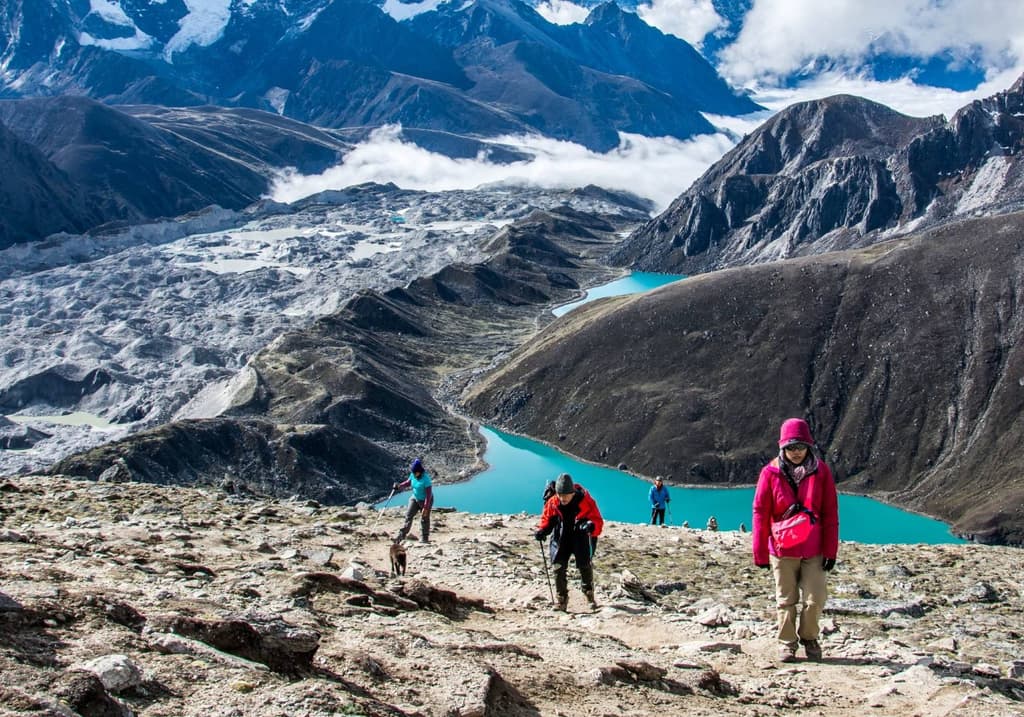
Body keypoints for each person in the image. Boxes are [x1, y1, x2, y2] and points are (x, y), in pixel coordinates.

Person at [752, 418, 839, 664]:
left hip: (814, 549)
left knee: (815, 598)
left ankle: (809, 637)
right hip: (782, 550)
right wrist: (760, 553)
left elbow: (831, 511)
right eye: (791, 447)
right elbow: (760, 512)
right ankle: (787, 643)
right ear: (783, 448)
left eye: (800, 446)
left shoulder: (821, 472)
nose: (796, 452)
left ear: (808, 446)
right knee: (786, 599)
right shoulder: (770, 473)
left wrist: (830, 550)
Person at [534, 473, 604, 611]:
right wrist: (542, 531)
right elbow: (547, 519)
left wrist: (591, 526)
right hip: (561, 538)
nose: (562, 498)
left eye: (565, 495)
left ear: (572, 493)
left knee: (584, 565)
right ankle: (561, 600)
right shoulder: (553, 502)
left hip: (580, 537)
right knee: (558, 567)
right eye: (559, 494)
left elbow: (597, 520)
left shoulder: (585, 500)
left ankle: (589, 595)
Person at [393, 458, 434, 543]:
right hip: (415, 497)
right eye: (414, 472)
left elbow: (428, 495)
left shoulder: (426, 479)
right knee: (408, 515)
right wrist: (399, 486)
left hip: (425, 500)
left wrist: (425, 508)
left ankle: (424, 538)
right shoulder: (413, 474)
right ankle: (401, 536)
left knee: (424, 517)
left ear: (420, 471)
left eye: (416, 473)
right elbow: (408, 482)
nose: (414, 474)